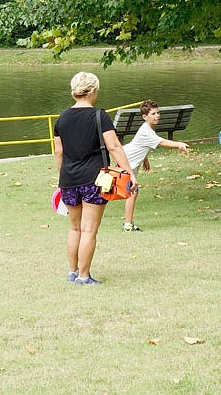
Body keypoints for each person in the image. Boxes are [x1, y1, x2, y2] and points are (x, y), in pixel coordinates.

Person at [53, 72, 137, 285]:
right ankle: (84, 276)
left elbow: (59, 152)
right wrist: (129, 172)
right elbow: (114, 146)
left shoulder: (62, 117)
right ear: (92, 91)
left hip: (68, 180)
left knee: (74, 228)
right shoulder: (100, 116)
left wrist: (62, 177)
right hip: (94, 180)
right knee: (89, 229)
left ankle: (72, 272)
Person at [122, 99, 189, 231]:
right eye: (153, 114)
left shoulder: (148, 127)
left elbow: (141, 144)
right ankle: (127, 225)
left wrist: (145, 158)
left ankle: (128, 224)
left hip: (131, 162)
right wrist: (179, 144)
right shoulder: (146, 130)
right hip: (126, 161)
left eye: (158, 113)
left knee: (131, 192)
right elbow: (162, 142)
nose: (157, 116)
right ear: (145, 117)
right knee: (127, 192)